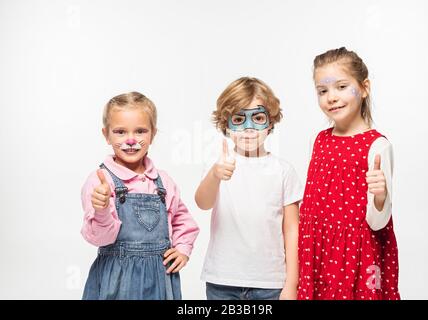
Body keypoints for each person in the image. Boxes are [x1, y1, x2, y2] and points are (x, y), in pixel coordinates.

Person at [298, 47, 400, 300]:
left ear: (364, 88)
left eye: (341, 87)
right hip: (318, 251)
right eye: (323, 91)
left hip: (356, 254)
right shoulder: (318, 141)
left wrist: (380, 195)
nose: (331, 97)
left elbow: (378, 221)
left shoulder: (377, 145)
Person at [81, 91, 199, 299]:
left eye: (140, 131)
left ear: (153, 134)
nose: (131, 140)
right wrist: (101, 210)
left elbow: (184, 221)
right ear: (106, 134)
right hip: (117, 279)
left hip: (159, 279)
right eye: (120, 132)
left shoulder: (163, 182)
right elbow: (101, 238)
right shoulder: (101, 181)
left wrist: (182, 249)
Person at [195, 77, 302, 300]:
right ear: (226, 124)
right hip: (223, 280)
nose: (249, 127)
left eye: (258, 118)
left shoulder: (283, 171)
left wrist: (292, 284)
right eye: (239, 119)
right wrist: (215, 175)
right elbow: (202, 203)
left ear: (270, 123)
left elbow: (292, 230)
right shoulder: (219, 164)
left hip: (270, 282)